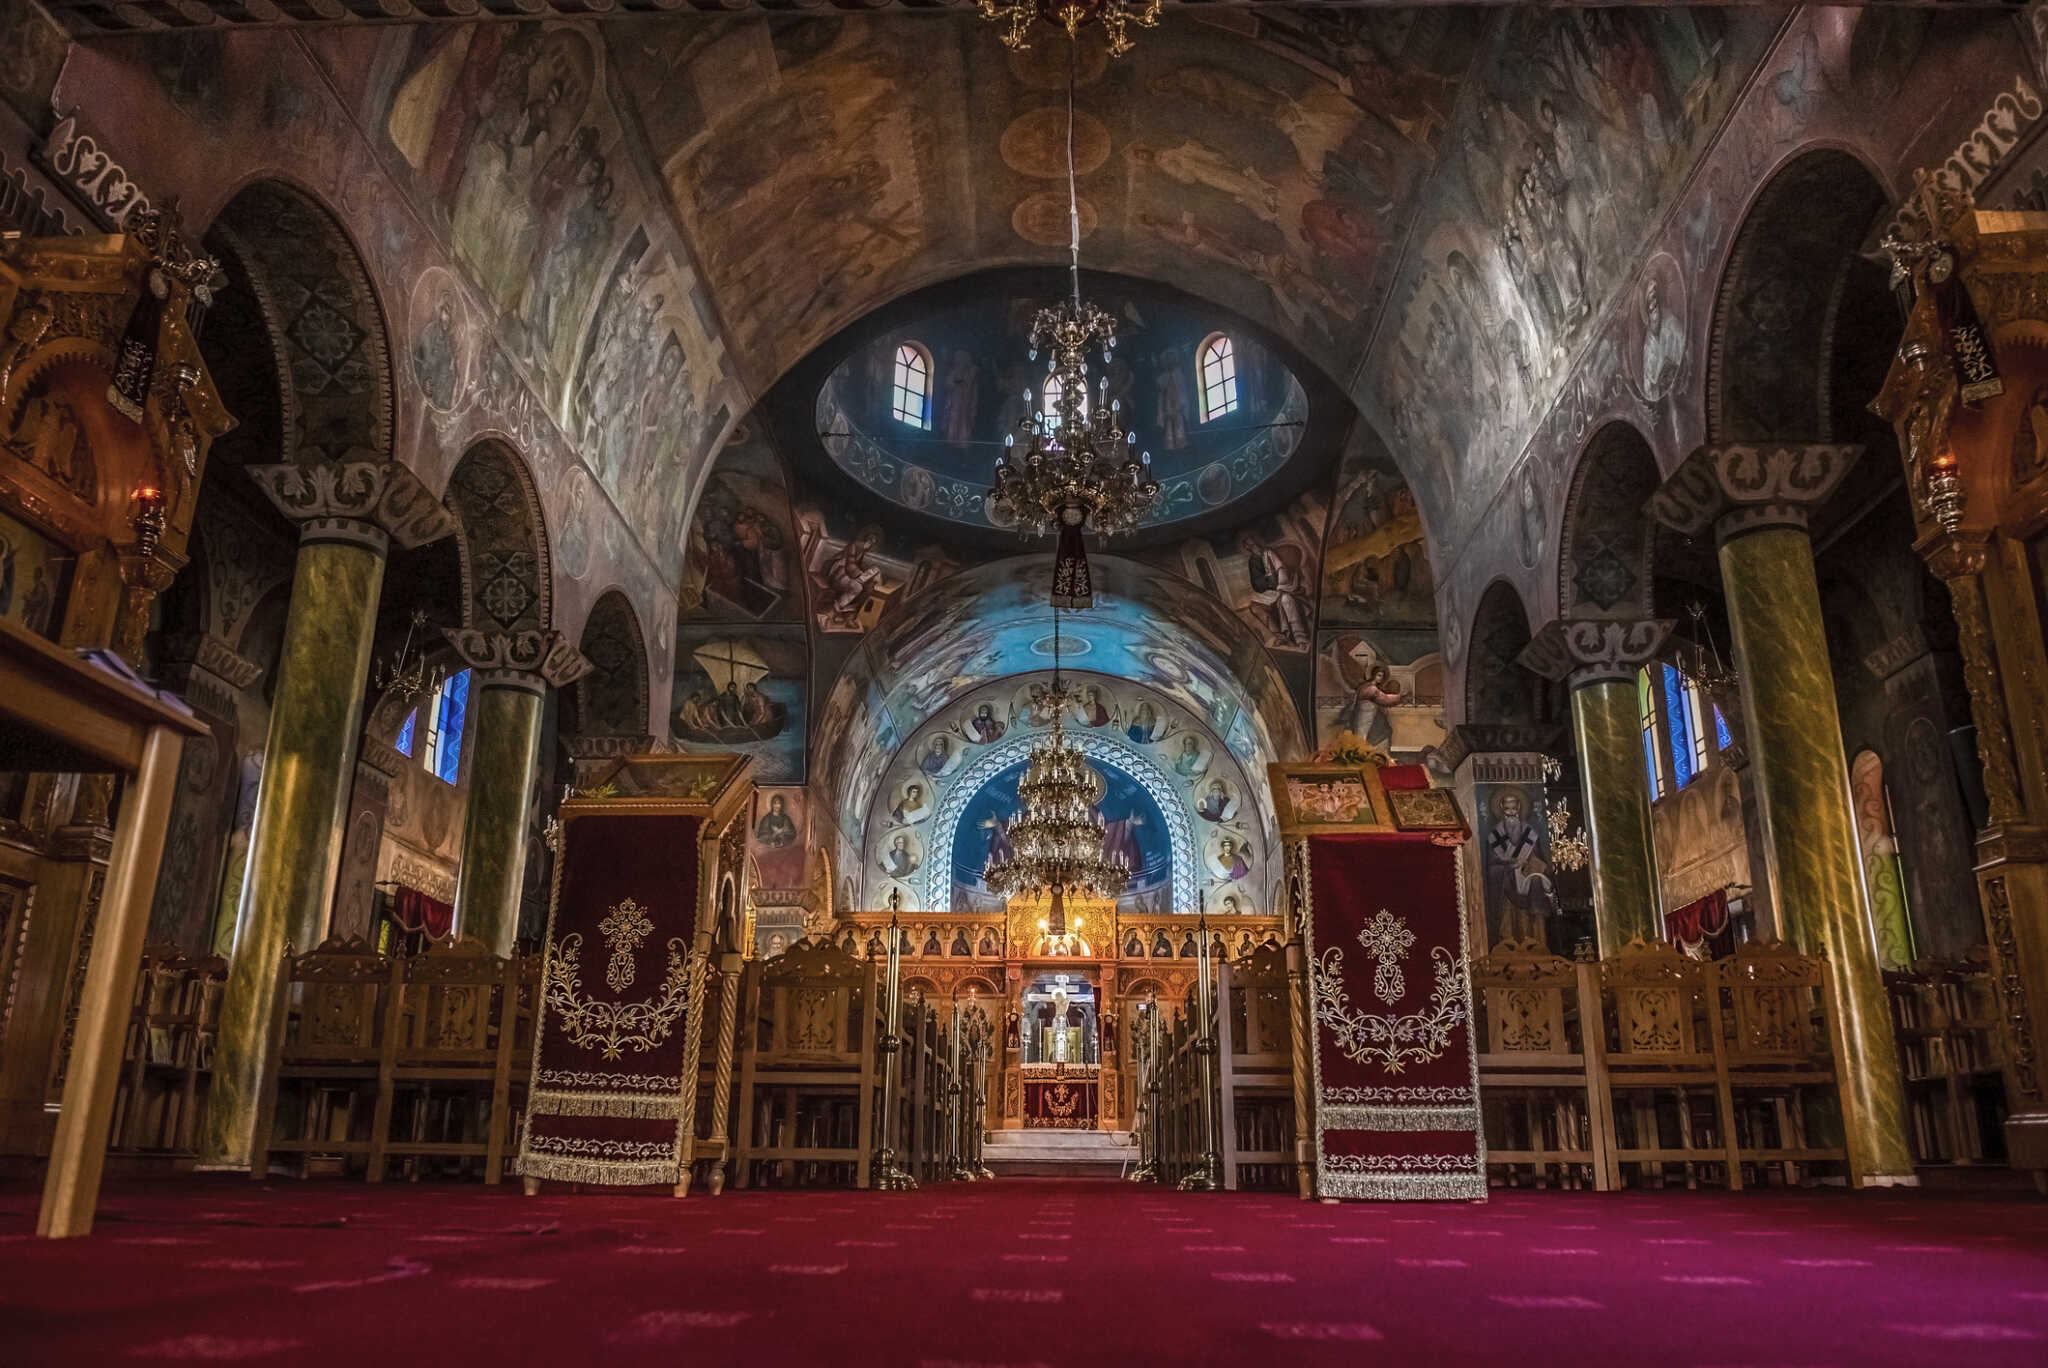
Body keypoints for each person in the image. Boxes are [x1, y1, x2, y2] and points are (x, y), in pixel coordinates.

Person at [1486, 790, 1556, 946]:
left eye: (1514, 808)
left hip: (1528, 884)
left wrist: (1531, 865)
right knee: (1508, 924)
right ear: (1501, 809)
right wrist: (1509, 866)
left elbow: (1540, 860)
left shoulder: (1530, 834)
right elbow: (1491, 867)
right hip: (1506, 888)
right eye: (1507, 809)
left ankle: (1538, 944)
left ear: (1519, 808)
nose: (1511, 812)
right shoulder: (1495, 836)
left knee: (1536, 884)